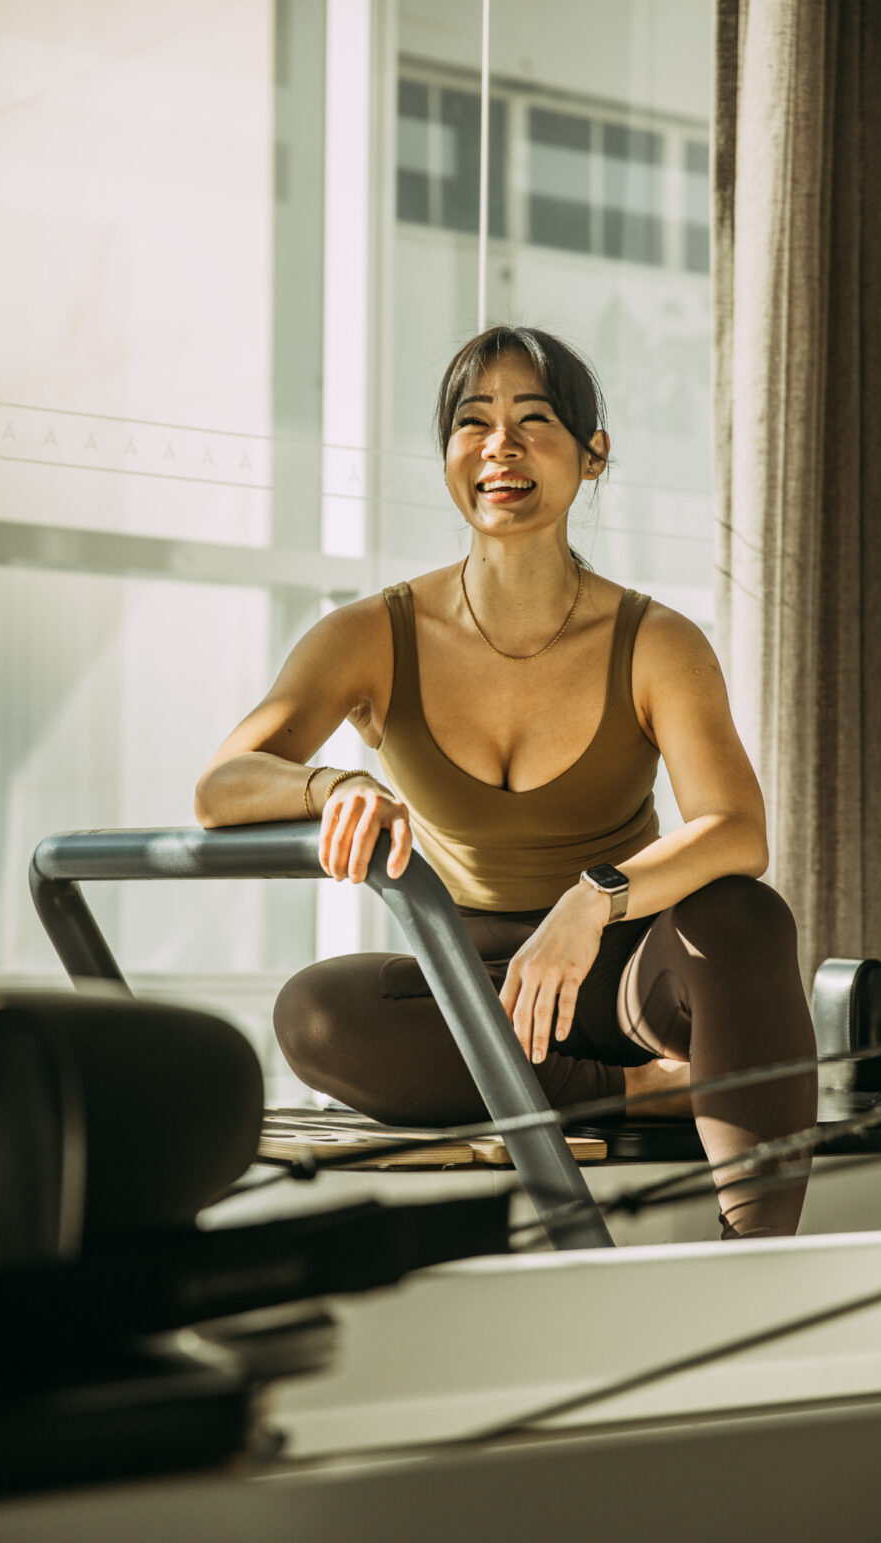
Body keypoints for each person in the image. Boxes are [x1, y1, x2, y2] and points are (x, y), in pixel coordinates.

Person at [195, 325, 818, 1238]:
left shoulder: (655, 641)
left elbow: (733, 831)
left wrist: (594, 900)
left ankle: (755, 1261)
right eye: (473, 422)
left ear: (591, 455)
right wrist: (331, 788)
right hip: (473, 989)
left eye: (534, 419)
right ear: (447, 454)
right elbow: (222, 787)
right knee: (316, 1016)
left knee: (744, 917)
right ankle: (638, 1095)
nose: (501, 445)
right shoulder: (371, 634)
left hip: (622, 974)